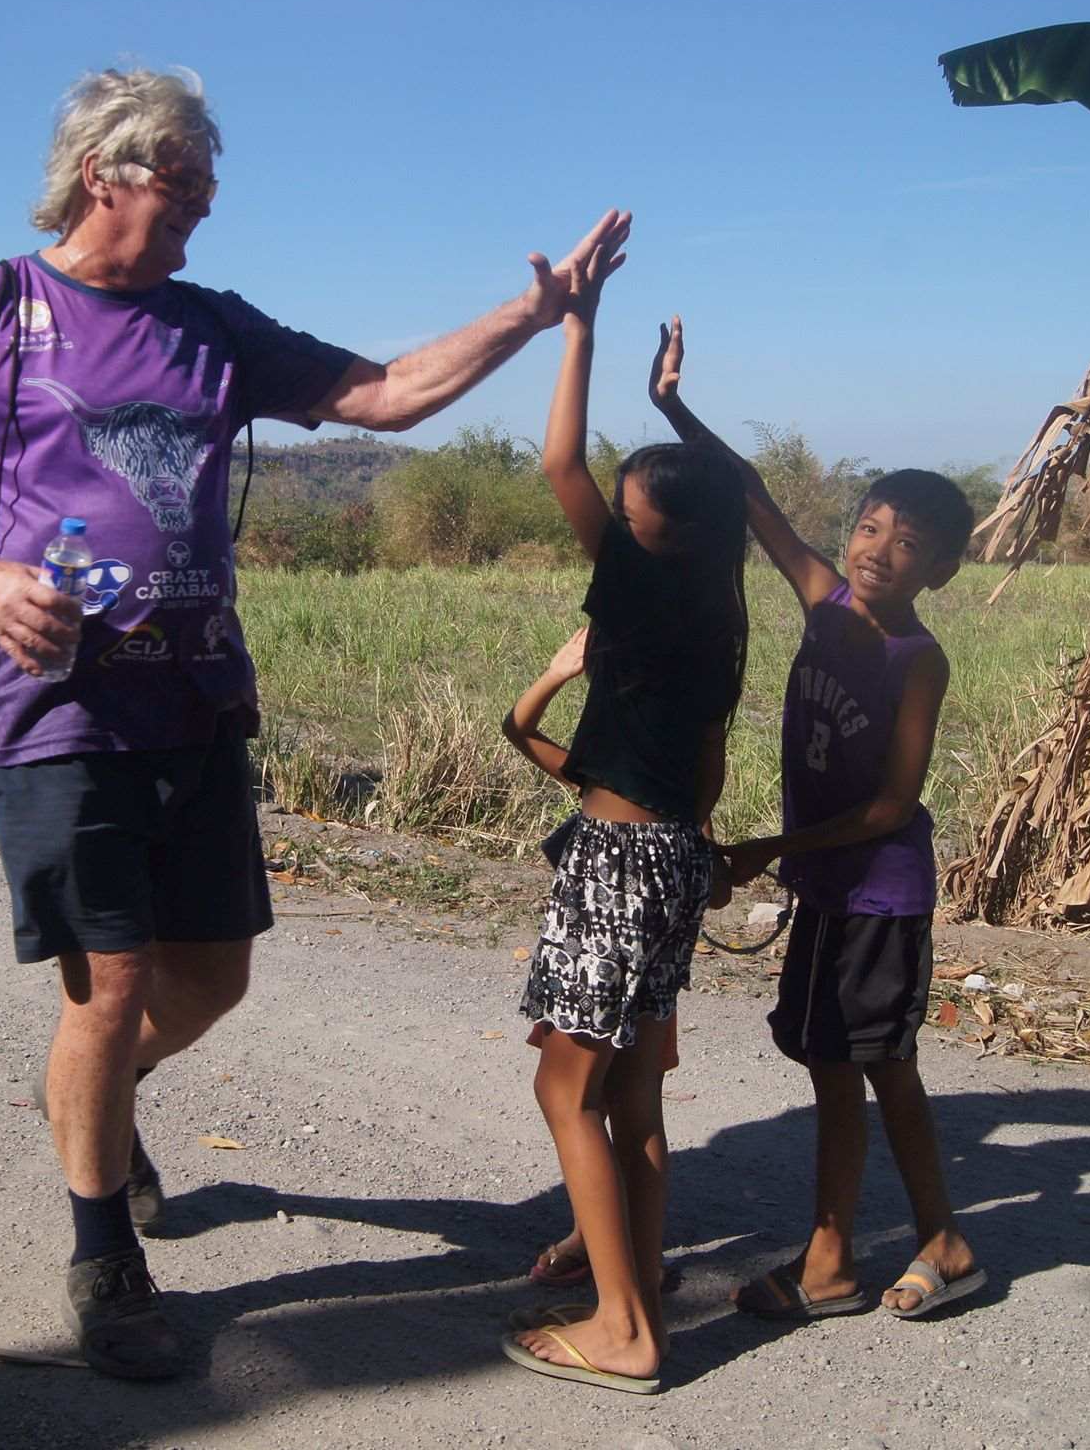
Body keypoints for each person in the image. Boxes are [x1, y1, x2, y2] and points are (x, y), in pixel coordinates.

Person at [0, 66, 632, 1380]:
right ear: (104, 173)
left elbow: (388, 392)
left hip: (198, 696)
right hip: (59, 704)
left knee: (212, 978)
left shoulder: (212, 325)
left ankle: (93, 1097)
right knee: (113, 980)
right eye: (184, 179)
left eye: (210, 182)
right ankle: (106, 1260)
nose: (205, 203)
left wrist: (535, 315)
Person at [648, 316, 987, 1325]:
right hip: (831, 887)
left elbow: (892, 805)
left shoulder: (917, 660)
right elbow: (750, 489)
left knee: (876, 1068)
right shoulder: (823, 599)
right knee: (838, 1068)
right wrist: (673, 406)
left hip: (879, 893)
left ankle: (917, 1246)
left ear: (941, 571)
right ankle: (861, 1253)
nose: (879, 550)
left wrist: (769, 850)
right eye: (871, 526)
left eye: (908, 543)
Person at [494, 270, 747, 1395]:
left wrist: (576, 327)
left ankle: (624, 1331)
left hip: (618, 864)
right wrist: (672, 408)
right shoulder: (720, 600)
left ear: (662, 536)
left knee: (566, 1091)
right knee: (634, 1095)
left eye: (634, 510)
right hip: (677, 854)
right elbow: (710, 759)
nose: (619, 512)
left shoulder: (641, 586)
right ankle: (635, 1287)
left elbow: (559, 462)